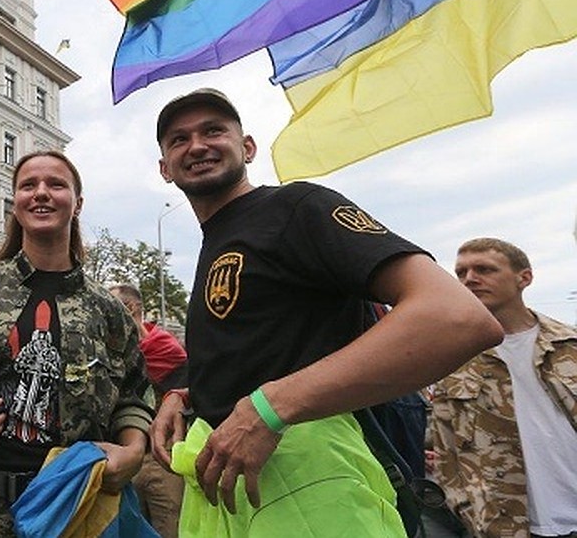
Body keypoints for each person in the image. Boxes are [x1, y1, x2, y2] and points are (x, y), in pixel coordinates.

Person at [147, 88, 503, 536]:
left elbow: (455, 316)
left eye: (213, 130)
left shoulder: (296, 208)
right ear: (164, 169)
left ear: (248, 147)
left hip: (321, 493)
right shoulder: (216, 242)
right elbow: (269, 349)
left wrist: (272, 408)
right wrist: (184, 394)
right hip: (237, 500)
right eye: (179, 139)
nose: (197, 145)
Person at [0, 150, 152, 537]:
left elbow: (133, 397)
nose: (41, 193)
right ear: (15, 204)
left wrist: (133, 452)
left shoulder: (107, 311)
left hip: (70, 507)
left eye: (56, 184)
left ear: (77, 203)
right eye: (28, 185)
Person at [430, 238, 577, 538]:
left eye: (484, 269)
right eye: (461, 273)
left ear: (524, 278)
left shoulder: (570, 345)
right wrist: (469, 511)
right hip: (510, 526)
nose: (470, 279)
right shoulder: (450, 360)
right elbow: (446, 455)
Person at [109, 282, 187, 537]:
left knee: (170, 528)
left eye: (112, 305)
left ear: (131, 308)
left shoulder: (164, 347)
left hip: (163, 458)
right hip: (130, 457)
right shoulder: (116, 350)